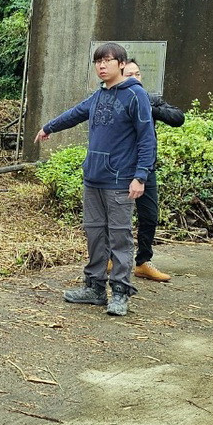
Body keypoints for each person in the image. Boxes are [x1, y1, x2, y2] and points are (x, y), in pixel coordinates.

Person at [34, 43, 157, 316]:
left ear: (122, 64)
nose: (102, 66)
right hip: (93, 179)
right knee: (94, 235)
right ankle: (95, 288)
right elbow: (76, 113)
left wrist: (140, 177)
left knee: (120, 238)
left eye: (108, 61)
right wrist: (48, 128)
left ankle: (121, 292)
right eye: (98, 62)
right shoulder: (100, 95)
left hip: (120, 181)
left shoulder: (136, 96)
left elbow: (147, 140)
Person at [121, 59, 185, 282]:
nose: (134, 79)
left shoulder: (149, 99)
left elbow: (178, 118)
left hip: (145, 169)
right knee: (117, 217)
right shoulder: (115, 99)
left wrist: (151, 107)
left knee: (149, 216)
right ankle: (112, 258)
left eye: (137, 74)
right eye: (129, 75)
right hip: (119, 169)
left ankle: (143, 262)